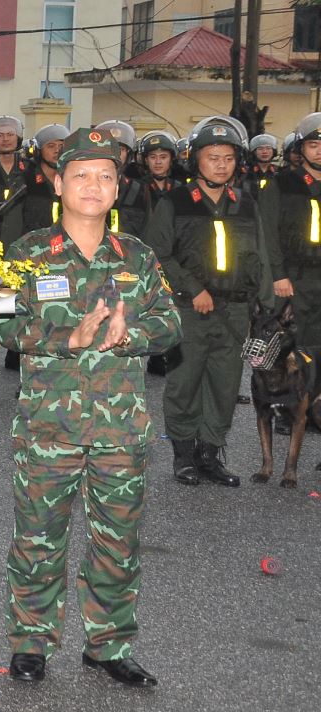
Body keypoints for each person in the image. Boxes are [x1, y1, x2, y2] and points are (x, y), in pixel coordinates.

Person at [0, 127, 181, 688]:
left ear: (117, 188)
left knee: (117, 545)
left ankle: (108, 644)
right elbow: (2, 325)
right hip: (47, 427)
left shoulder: (138, 255)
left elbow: (170, 323)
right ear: (58, 184)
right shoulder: (29, 253)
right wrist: (67, 340)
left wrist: (132, 335)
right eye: (80, 175)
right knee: (38, 540)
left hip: (120, 431)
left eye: (105, 176)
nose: (93, 185)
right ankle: (32, 642)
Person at [143, 116, 272, 488]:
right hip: (189, 309)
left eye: (228, 158)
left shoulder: (246, 203)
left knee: (224, 384)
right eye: (212, 157)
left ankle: (210, 454)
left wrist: (266, 309)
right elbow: (157, 254)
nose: (220, 164)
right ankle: (183, 456)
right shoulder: (176, 202)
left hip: (234, 311)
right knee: (185, 383)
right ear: (195, 159)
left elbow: (260, 255)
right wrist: (192, 289)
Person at [260, 113, 321, 380]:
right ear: (301, 149)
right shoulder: (281, 185)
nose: (320, 152)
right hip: (294, 278)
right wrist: (278, 274)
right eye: (313, 145)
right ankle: (289, 412)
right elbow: (267, 233)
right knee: (294, 346)